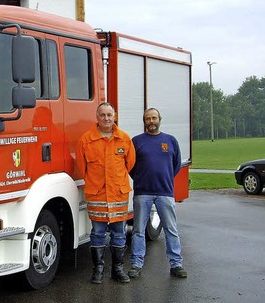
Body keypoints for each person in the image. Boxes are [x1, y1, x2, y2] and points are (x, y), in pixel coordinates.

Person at [76, 102, 136, 284]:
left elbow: (130, 163)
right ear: (97, 116)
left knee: (119, 232)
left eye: (109, 115)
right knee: (97, 233)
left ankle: (117, 269)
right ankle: (98, 270)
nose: (106, 118)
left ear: (114, 116)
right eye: (102, 115)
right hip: (97, 196)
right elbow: (81, 167)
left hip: (118, 195)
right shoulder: (86, 140)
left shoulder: (124, 139)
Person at [128, 108, 188, 279]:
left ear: (160, 119)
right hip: (143, 193)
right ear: (144, 121)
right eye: (148, 119)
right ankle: (136, 264)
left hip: (165, 193)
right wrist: (140, 179)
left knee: (171, 229)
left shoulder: (170, 141)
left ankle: (176, 264)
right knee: (138, 230)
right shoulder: (136, 141)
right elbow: (131, 166)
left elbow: (176, 165)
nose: (151, 121)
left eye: (154, 118)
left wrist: (166, 179)